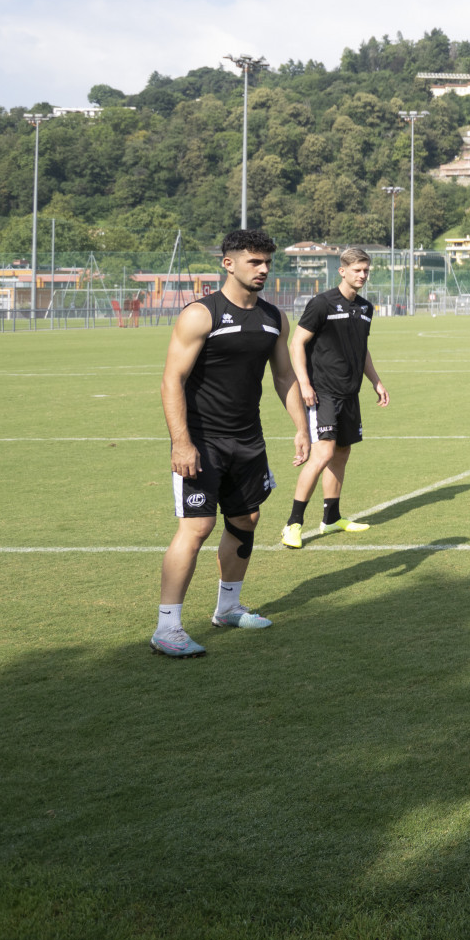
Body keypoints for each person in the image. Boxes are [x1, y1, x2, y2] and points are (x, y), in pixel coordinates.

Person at [151, 230, 310, 657]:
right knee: (197, 527)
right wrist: (181, 443)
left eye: (267, 263)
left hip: (248, 440)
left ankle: (228, 608)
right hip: (203, 441)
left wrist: (301, 427)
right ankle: (167, 628)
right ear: (229, 264)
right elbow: (172, 381)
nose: (263, 270)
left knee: (247, 520)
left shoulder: (274, 318)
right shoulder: (201, 314)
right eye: (254, 262)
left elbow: (283, 376)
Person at [281, 248, 389, 547]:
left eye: (366, 270)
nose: (363, 275)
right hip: (323, 392)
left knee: (342, 453)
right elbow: (297, 343)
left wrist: (376, 381)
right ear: (342, 271)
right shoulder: (321, 303)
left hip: (349, 393)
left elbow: (361, 348)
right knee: (323, 454)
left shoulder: (366, 308)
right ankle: (293, 523)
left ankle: (331, 519)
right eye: (357, 270)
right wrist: (304, 383)